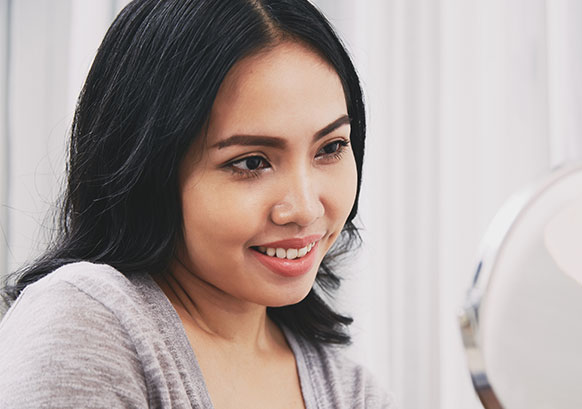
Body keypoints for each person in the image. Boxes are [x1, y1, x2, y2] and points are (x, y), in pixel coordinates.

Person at [0, 0, 393, 408]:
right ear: (151, 168)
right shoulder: (84, 327)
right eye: (251, 162)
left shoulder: (351, 392)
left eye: (331, 148)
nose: (306, 208)